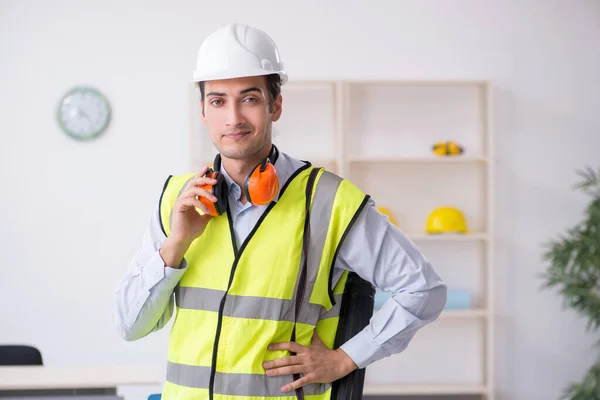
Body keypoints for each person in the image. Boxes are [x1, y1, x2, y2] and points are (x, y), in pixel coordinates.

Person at [113, 23, 447, 400]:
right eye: (218, 101)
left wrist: (345, 359)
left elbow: (424, 290)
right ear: (204, 111)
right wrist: (175, 245)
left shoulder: (329, 202)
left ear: (276, 105)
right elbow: (130, 325)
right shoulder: (178, 199)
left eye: (250, 99)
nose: (233, 118)